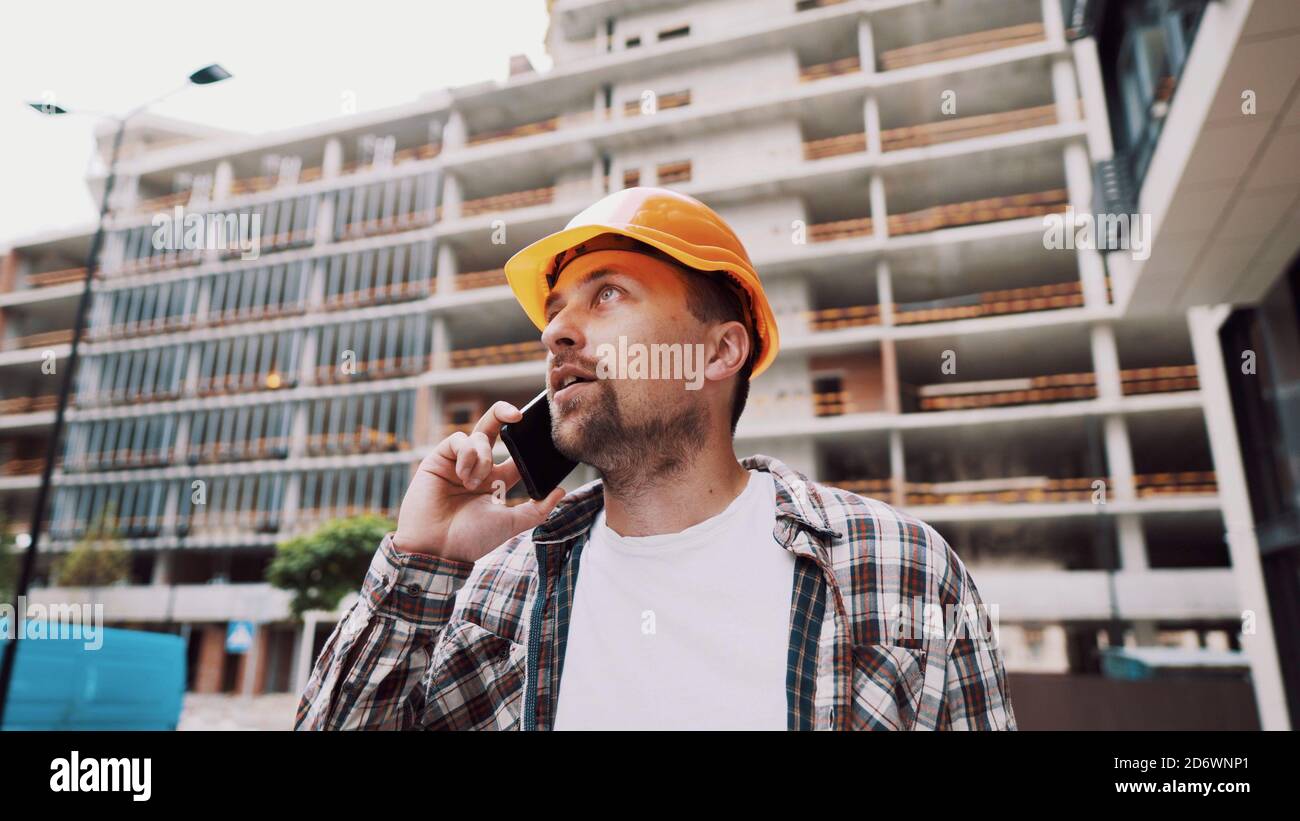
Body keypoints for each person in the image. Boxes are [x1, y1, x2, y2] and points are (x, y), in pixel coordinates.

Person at [296, 187, 1016, 730]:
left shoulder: (898, 570)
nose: (557, 334)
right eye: (555, 312)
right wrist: (426, 560)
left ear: (719, 350)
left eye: (607, 294)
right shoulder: (499, 594)